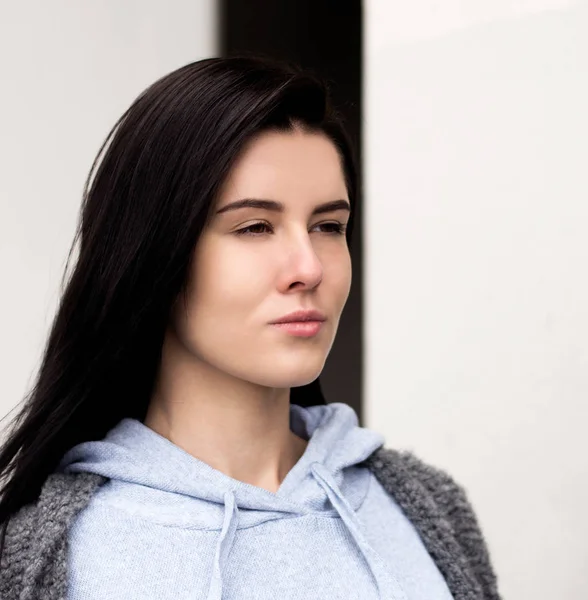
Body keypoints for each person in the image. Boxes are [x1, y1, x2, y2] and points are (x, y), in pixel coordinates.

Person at [0, 56, 501, 600]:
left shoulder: (425, 506)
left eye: (329, 226)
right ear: (155, 254)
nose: (309, 267)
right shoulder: (47, 553)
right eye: (255, 226)